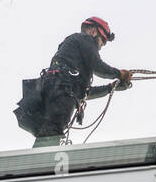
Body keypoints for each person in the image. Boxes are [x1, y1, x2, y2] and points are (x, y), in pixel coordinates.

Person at [31, 17, 132, 147]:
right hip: (61, 92)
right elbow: (98, 66)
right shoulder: (85, 39)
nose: (101, 47)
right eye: (102, 41)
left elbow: (84, 93)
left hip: (57, 92)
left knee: (50, 131)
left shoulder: (74, 62)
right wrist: (119, 74)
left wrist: (110, 88)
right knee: (52, 132)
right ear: (93, 32)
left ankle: (41, 159)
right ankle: (42, 162)